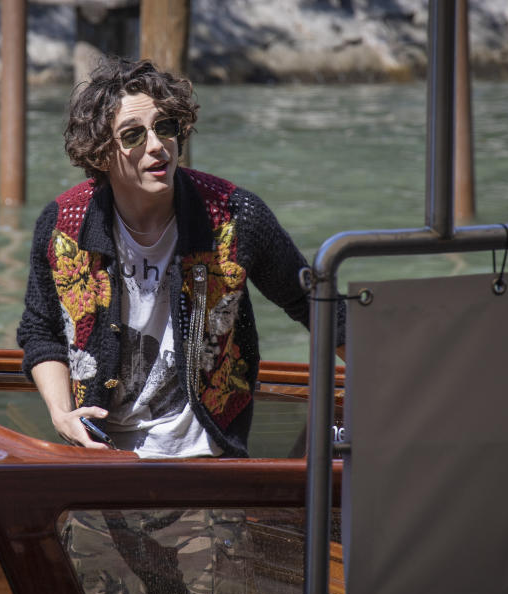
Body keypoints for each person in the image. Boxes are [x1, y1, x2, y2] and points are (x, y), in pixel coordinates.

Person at [17, 57, 323, 459]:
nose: (158, 145)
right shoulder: (62, 224)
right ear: (101, 153)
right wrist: (61, 415)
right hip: (97, 457)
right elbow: (41, 332)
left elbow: (315, 304)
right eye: (133, 135)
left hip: (208, 457)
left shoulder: (234, 215)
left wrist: (387, 385)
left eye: (165, 127)